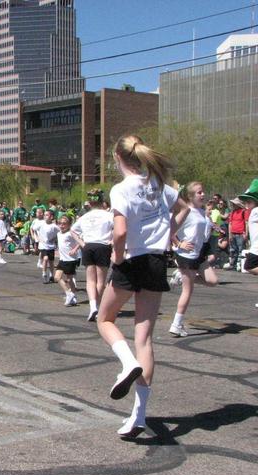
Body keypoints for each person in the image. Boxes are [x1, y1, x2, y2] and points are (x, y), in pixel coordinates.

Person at [96, 134, 189, 438]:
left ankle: (126, 364)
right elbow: (184, 209)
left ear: (117, 158)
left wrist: (117, 257)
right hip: (156, 261)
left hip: (132, 261)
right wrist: (165, 236)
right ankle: (139, 415)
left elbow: (120, 231)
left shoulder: (122, 189)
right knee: (144, 338)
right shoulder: (159, 184)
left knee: (105, 319)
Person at [168, 182, 219, 337]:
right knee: (187, 291)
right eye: (199, 193)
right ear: (190, 196)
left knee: (212, 280)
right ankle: (176, 324)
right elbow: (170, 229)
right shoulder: (186, 211)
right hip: (186, 255)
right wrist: (179, 243)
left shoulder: (201, 211)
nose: (203, 195)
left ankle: (179, 276)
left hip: (199, 253)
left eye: (203, 192)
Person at [70, 189, 114, 322]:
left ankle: (93, 306)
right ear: (102, 202)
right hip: (103, 246)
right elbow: (119, 229)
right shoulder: (108, 215)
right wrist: (111, 242)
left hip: (88, 246)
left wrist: (82, 244)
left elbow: (73, 230)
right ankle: (98, 306)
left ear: (90, 203)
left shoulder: (85, 216)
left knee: (90, 280)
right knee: (101, 281)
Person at [237, 179, 258, 307]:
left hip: (257, 248)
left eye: (249, 201)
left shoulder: (256, 211)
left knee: (248, 266)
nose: (246, 203)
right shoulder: (253, 211)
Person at [55, 214, 81, 306]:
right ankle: (69, 294)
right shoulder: (58, 233)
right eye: (60, 223)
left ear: (69, 224)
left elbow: (80, 240)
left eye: (64, 224)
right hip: (62, 259)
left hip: (70, 260)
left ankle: (72, 296)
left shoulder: (71, 233)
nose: (61, 225)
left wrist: (75, 249)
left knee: (70, 280)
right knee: (57, 277)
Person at [31, 209, 59, 282]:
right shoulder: (41, 223)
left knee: (51, 262)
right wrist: (37, 238)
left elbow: (60, 232)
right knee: (45, 258)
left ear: (51, 217)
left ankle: (51, 275)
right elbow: (33, 229)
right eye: (44, 215)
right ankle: (44, 274)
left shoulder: (54, 226)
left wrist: (54, 238)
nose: (45, 216)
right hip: (43, 246)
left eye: (47, 215)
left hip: (51, 246)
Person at [228, 197, 249, 271]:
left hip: (240, 233)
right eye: (233, 204)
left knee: (241, 250)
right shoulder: (232, 212)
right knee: (233, 250)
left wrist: (246, 233)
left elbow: (246, 223)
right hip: (233, 233)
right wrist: (230, 234)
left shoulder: (243, 212)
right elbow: (230, 223)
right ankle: (232, 265)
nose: (233, 205)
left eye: (234, 204)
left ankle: (240, 266)